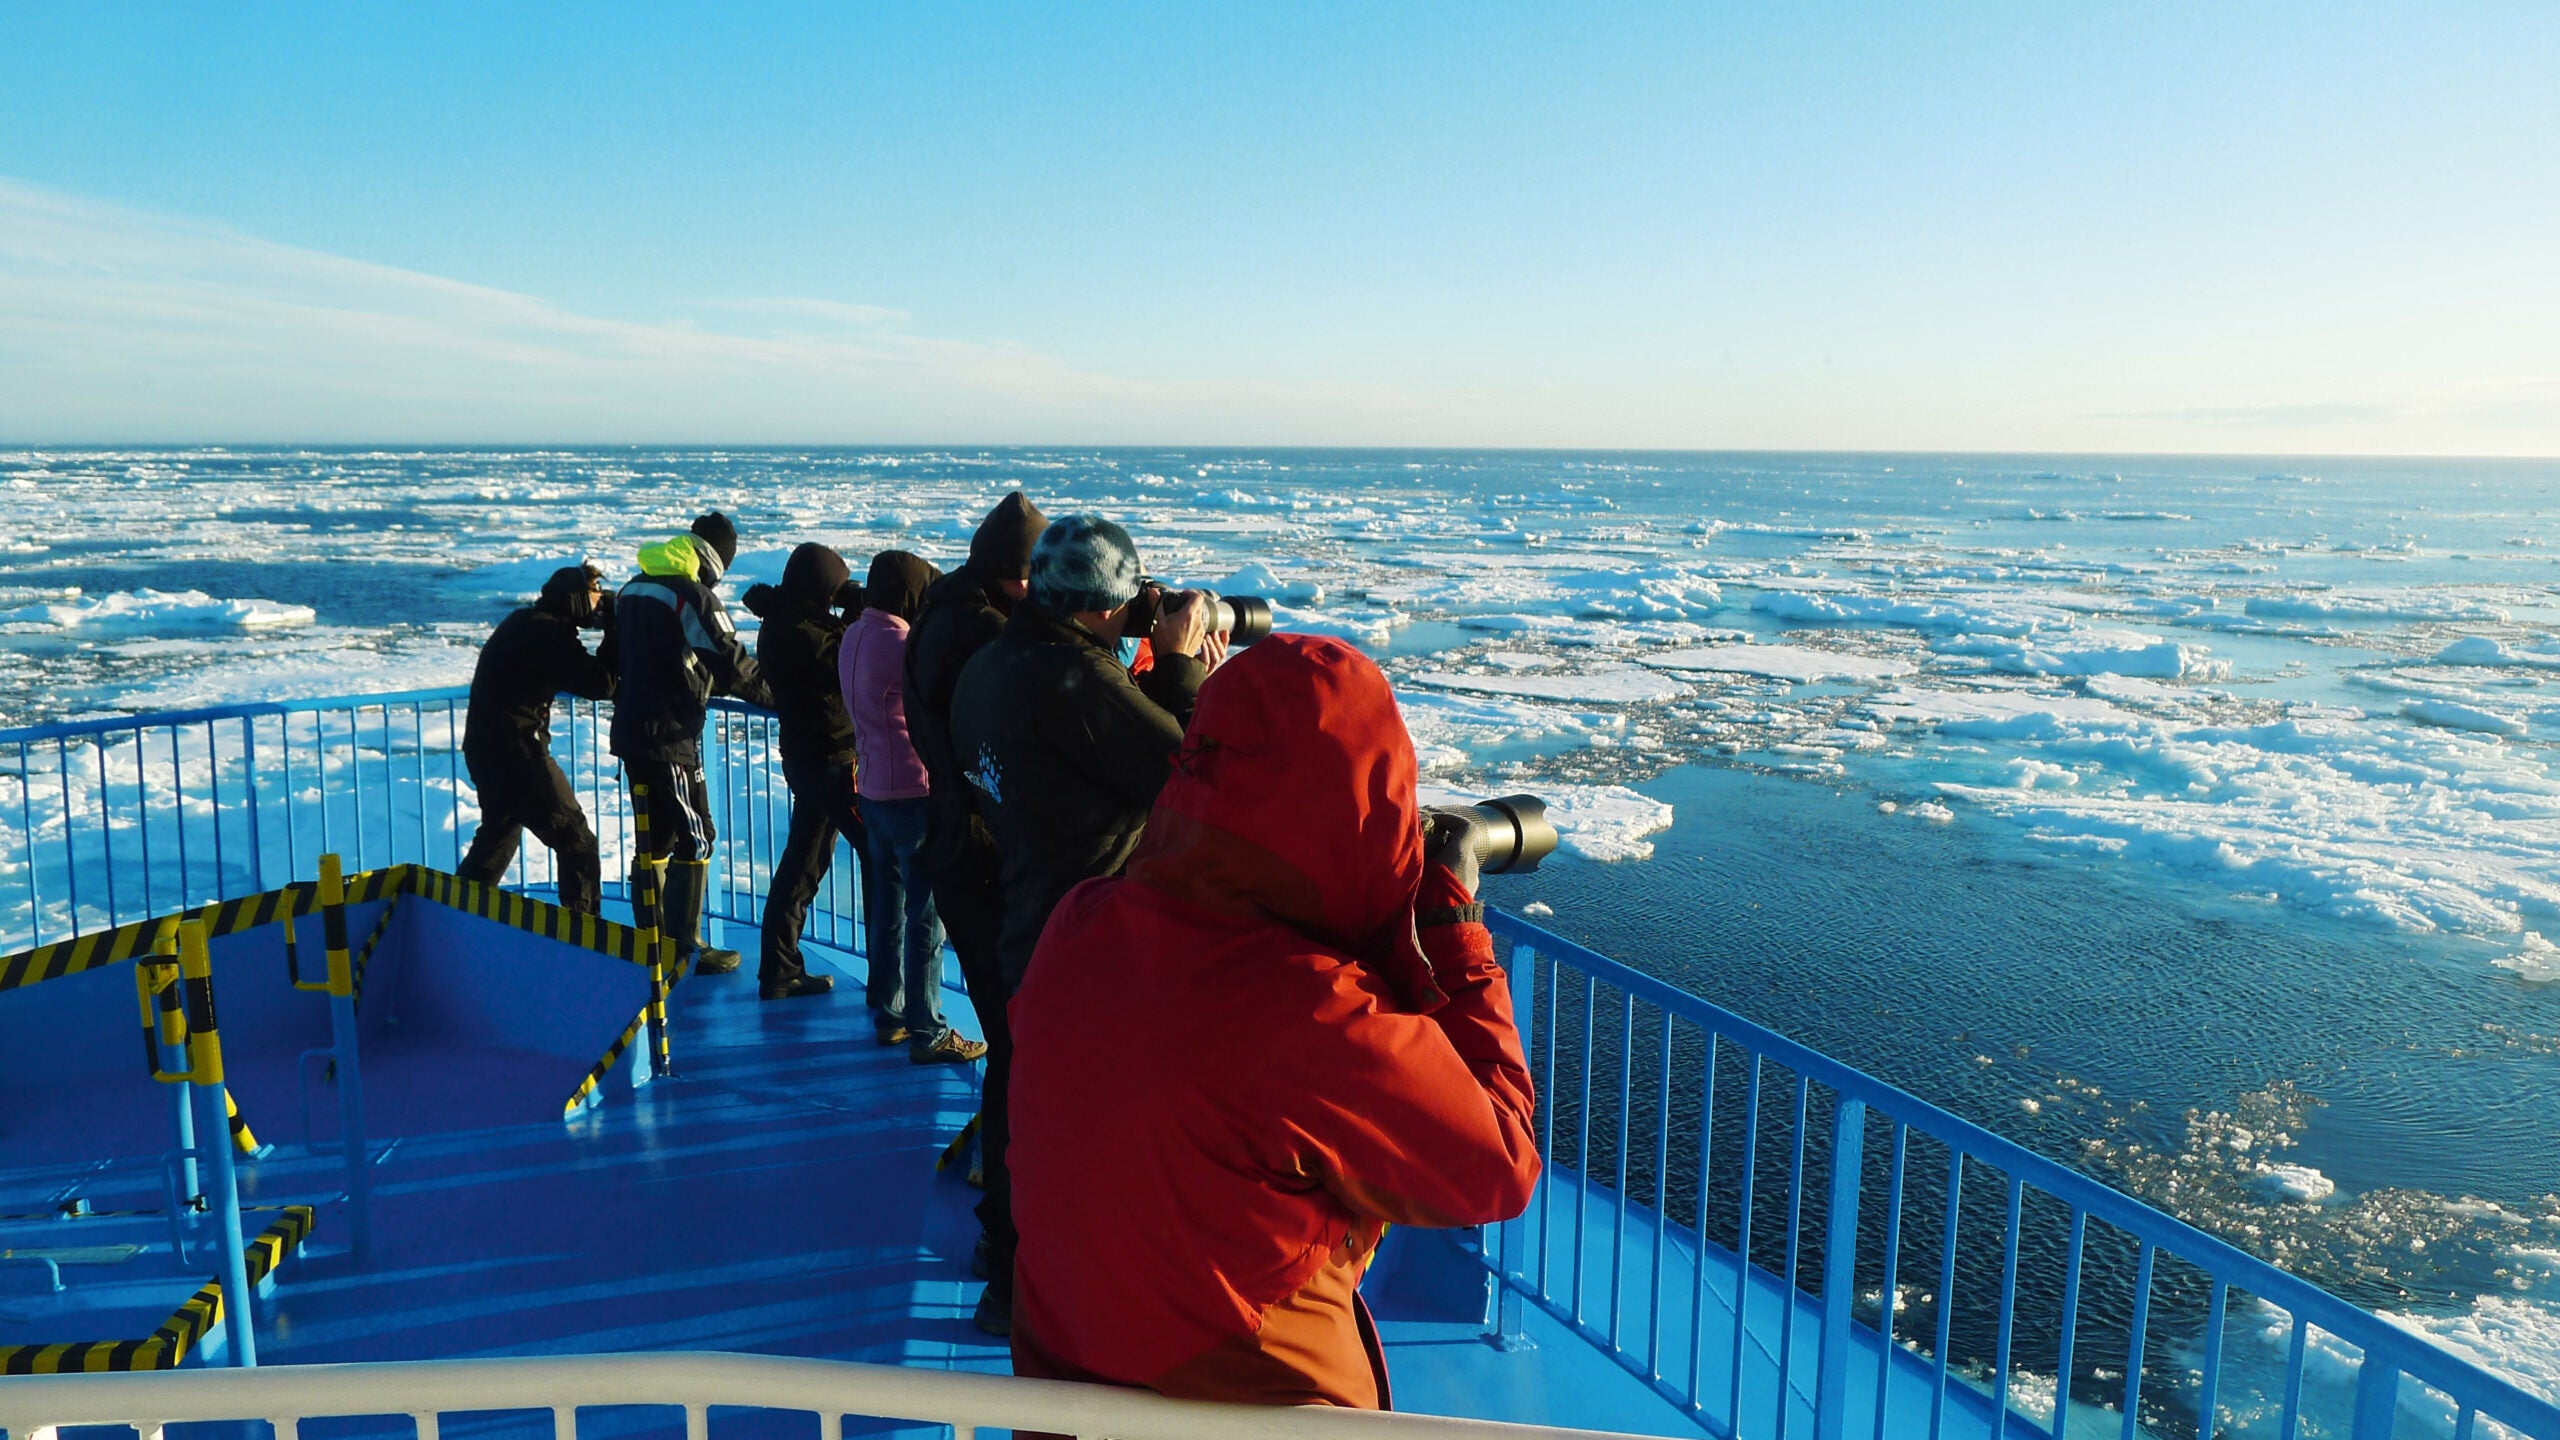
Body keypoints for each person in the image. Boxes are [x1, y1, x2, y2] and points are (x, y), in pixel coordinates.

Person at [1006, 634, 1540, 1407]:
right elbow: (1499, 1167)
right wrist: (1452, 939)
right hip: (1255, 1410)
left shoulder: (1081, 924)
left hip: (1068, 1396)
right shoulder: (1315, 1012)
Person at [947, 512, 1221, 1336]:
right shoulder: (1077, 681)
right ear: (1105, 605)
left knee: (1022, 1096)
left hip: (1020, 913)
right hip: (1089, 935)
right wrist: (1177, 670)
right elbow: (1184, 772)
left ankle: (1006, 1259)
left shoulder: (991, 664)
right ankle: (1051, 1292)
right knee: (1087, 1129)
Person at [900, 490, 1044, 1309]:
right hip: (987, 859)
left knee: (1013, 1044)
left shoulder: (940, 619)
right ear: (1015, 576)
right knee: (1021, 1050)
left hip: (958, 848)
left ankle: (1006, 1235)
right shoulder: (982, 637)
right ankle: (1009, 1248)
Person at [611, 511, 773, 976]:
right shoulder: (691, 596)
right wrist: (778, 697)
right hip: (670, 735)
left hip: (631, 731)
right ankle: (687, 946)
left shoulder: (634, 587)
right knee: (697, 835)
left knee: (654, 837)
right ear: (716, 560)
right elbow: (731, 661)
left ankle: (653, 942)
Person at [840, 549, 984, 1062]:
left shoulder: (855, 633)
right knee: (926, 916)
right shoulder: (904, 641)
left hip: (872, 787)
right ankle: (929, 1029)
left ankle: (889, 1008)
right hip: (911, 793)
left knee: (887, 904)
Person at [738, 542, 879, 1002]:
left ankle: (780, 968)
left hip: (806, 758)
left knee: (803, 861)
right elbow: (850, 666)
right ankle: (888, 981)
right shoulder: (805, 633)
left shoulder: (783, 621)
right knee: (880, 858)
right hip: (834, 761)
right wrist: (858, 618)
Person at [457, 564, 617, 912]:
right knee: (578, 842)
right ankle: (583, 934)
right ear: (575, 597)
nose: (600, 601)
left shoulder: (525, 622)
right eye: (595, 593)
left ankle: (455, 915)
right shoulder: (547, 634)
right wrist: (616, 632)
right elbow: (601, 684)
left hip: (488, 751)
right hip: (517, 755)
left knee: (497, 836)